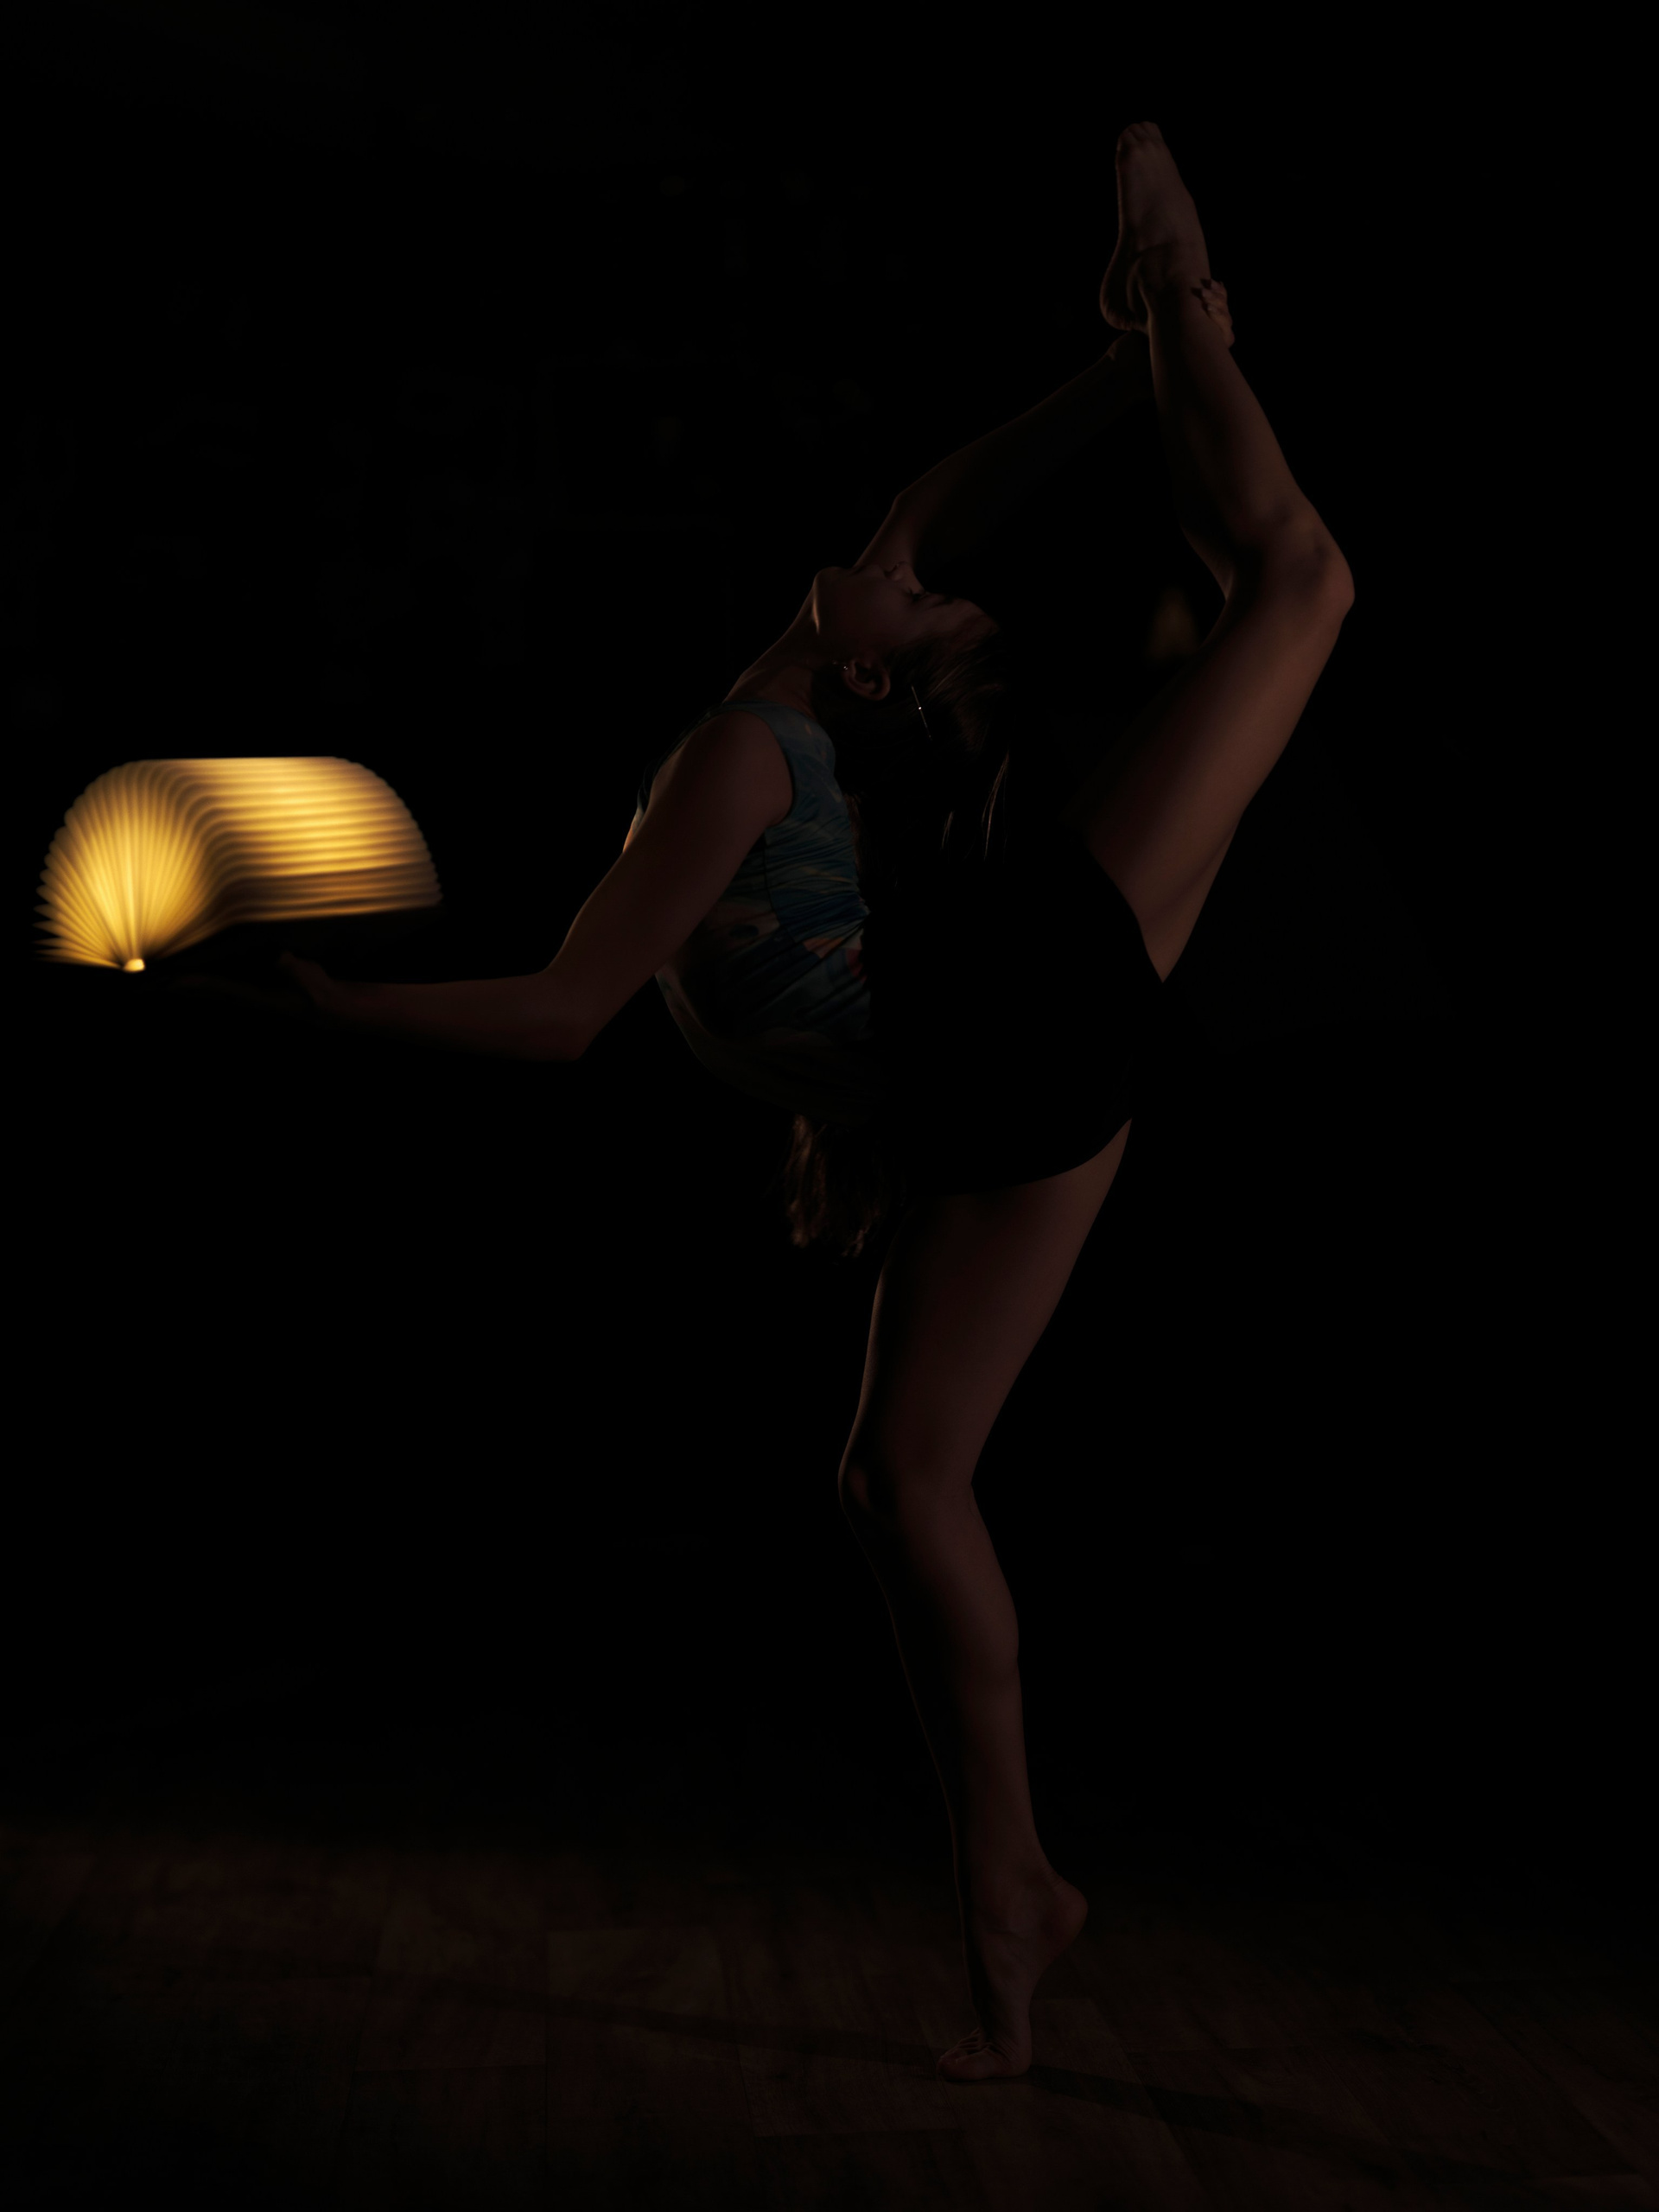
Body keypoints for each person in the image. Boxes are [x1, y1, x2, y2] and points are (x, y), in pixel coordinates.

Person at [278, 124, 1354, 2082]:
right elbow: (924, 516)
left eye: (914, 602)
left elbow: (566, 1013)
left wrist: (344, 1008)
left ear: (869, 679)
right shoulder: (775, 728)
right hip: (1010, 1040)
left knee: (1292, 582)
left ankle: (1011, 1890)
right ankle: (1011, 1890)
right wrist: (1116, 365)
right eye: (911, 594)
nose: (895, 569)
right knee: (1288, 582)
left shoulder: (753, 743)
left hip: (1010, 1036)